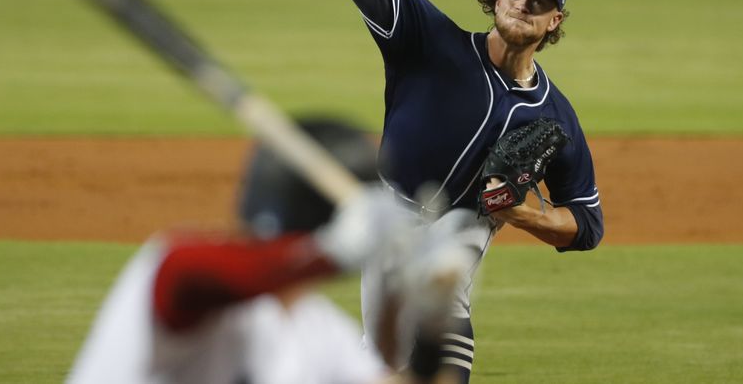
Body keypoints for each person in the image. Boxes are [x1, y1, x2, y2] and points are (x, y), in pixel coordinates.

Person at [259, 0, 605, 383]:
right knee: (386, 362)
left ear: (553, 20)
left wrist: (518, 212)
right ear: (496, 0)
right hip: (386, 221)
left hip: (462, 232)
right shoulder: (427, 40)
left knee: (443, 348)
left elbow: (584, 225)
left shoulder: (555, 117)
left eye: (538, 1)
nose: (522, 4)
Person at [66, 118, 477, 384]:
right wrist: (330, 254)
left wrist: (430, 329)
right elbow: (184, 272)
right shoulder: (177, 270)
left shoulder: (319, 332)